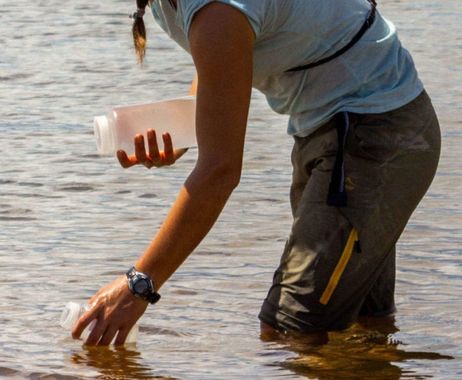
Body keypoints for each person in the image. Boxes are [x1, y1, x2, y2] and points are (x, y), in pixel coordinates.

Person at [73, 0, 441, 346]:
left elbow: (220, 171)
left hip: (373, 136)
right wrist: (182, 132)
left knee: (288, 328)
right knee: (364, 329)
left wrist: (139, 284)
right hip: (338, 132)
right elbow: (222, 62)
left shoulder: (214, 10)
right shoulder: (171, 7)